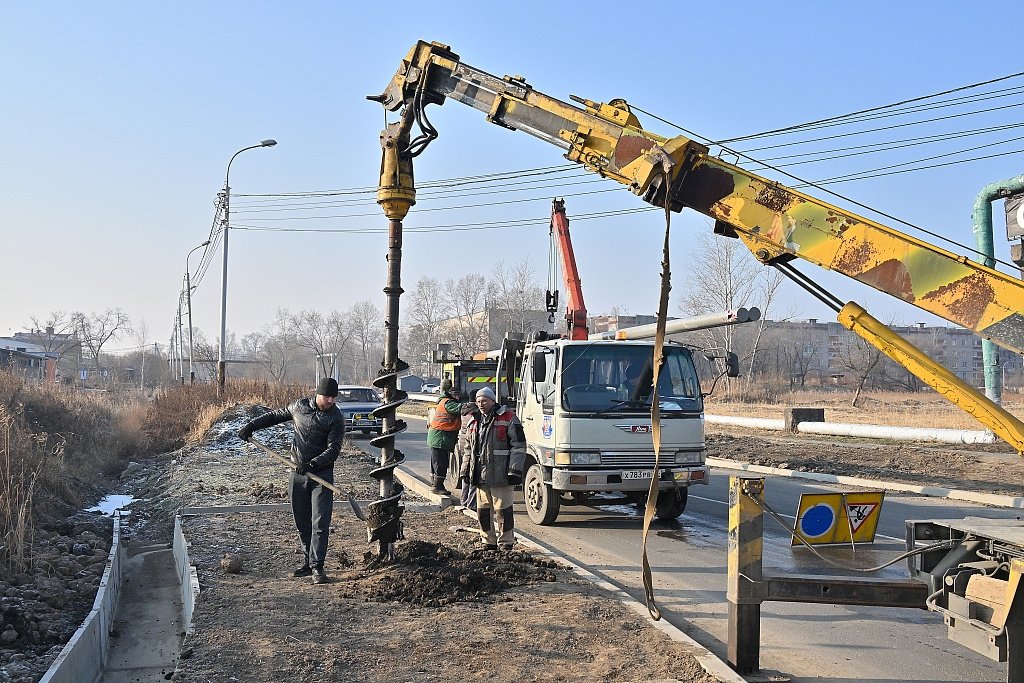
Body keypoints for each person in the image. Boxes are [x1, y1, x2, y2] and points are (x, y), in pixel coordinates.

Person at [237, 376, 345, 585]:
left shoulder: (336, 418)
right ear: (317, 394)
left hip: (321, 476)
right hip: (297, 474)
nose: (330, 401)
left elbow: (334, 449)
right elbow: (275, 416)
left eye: (333, 397)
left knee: (320, 523)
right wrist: (251, 426)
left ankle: (317, 567)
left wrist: (313, 464)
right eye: (327, 397)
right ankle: (307, 561)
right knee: (302, 522)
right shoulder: (300, 407)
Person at [460, 386, 526, 551]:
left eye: (484, 400)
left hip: (502, 476)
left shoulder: (509, 418)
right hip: (481, 477)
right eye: (478, 401)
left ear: (493, 400)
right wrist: (465, 470)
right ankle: (488, 542)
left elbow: (519, 447)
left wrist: (515, 471)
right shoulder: (473, 421)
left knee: (503, 511)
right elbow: (468, 449)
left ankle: (506, 543)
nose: (481, 404)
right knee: (483, 512)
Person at [425, 379, 472, 495]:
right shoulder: (448, 403)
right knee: (441, 463)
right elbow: (460, 409)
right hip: (441, 438)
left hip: (439, 437)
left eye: (458, 395)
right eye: (456, 395)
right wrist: (474, 405)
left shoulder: (444, 401)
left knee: (436, 463)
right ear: (451, 395)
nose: (458, 397)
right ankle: (437, 486)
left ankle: (435, 484)